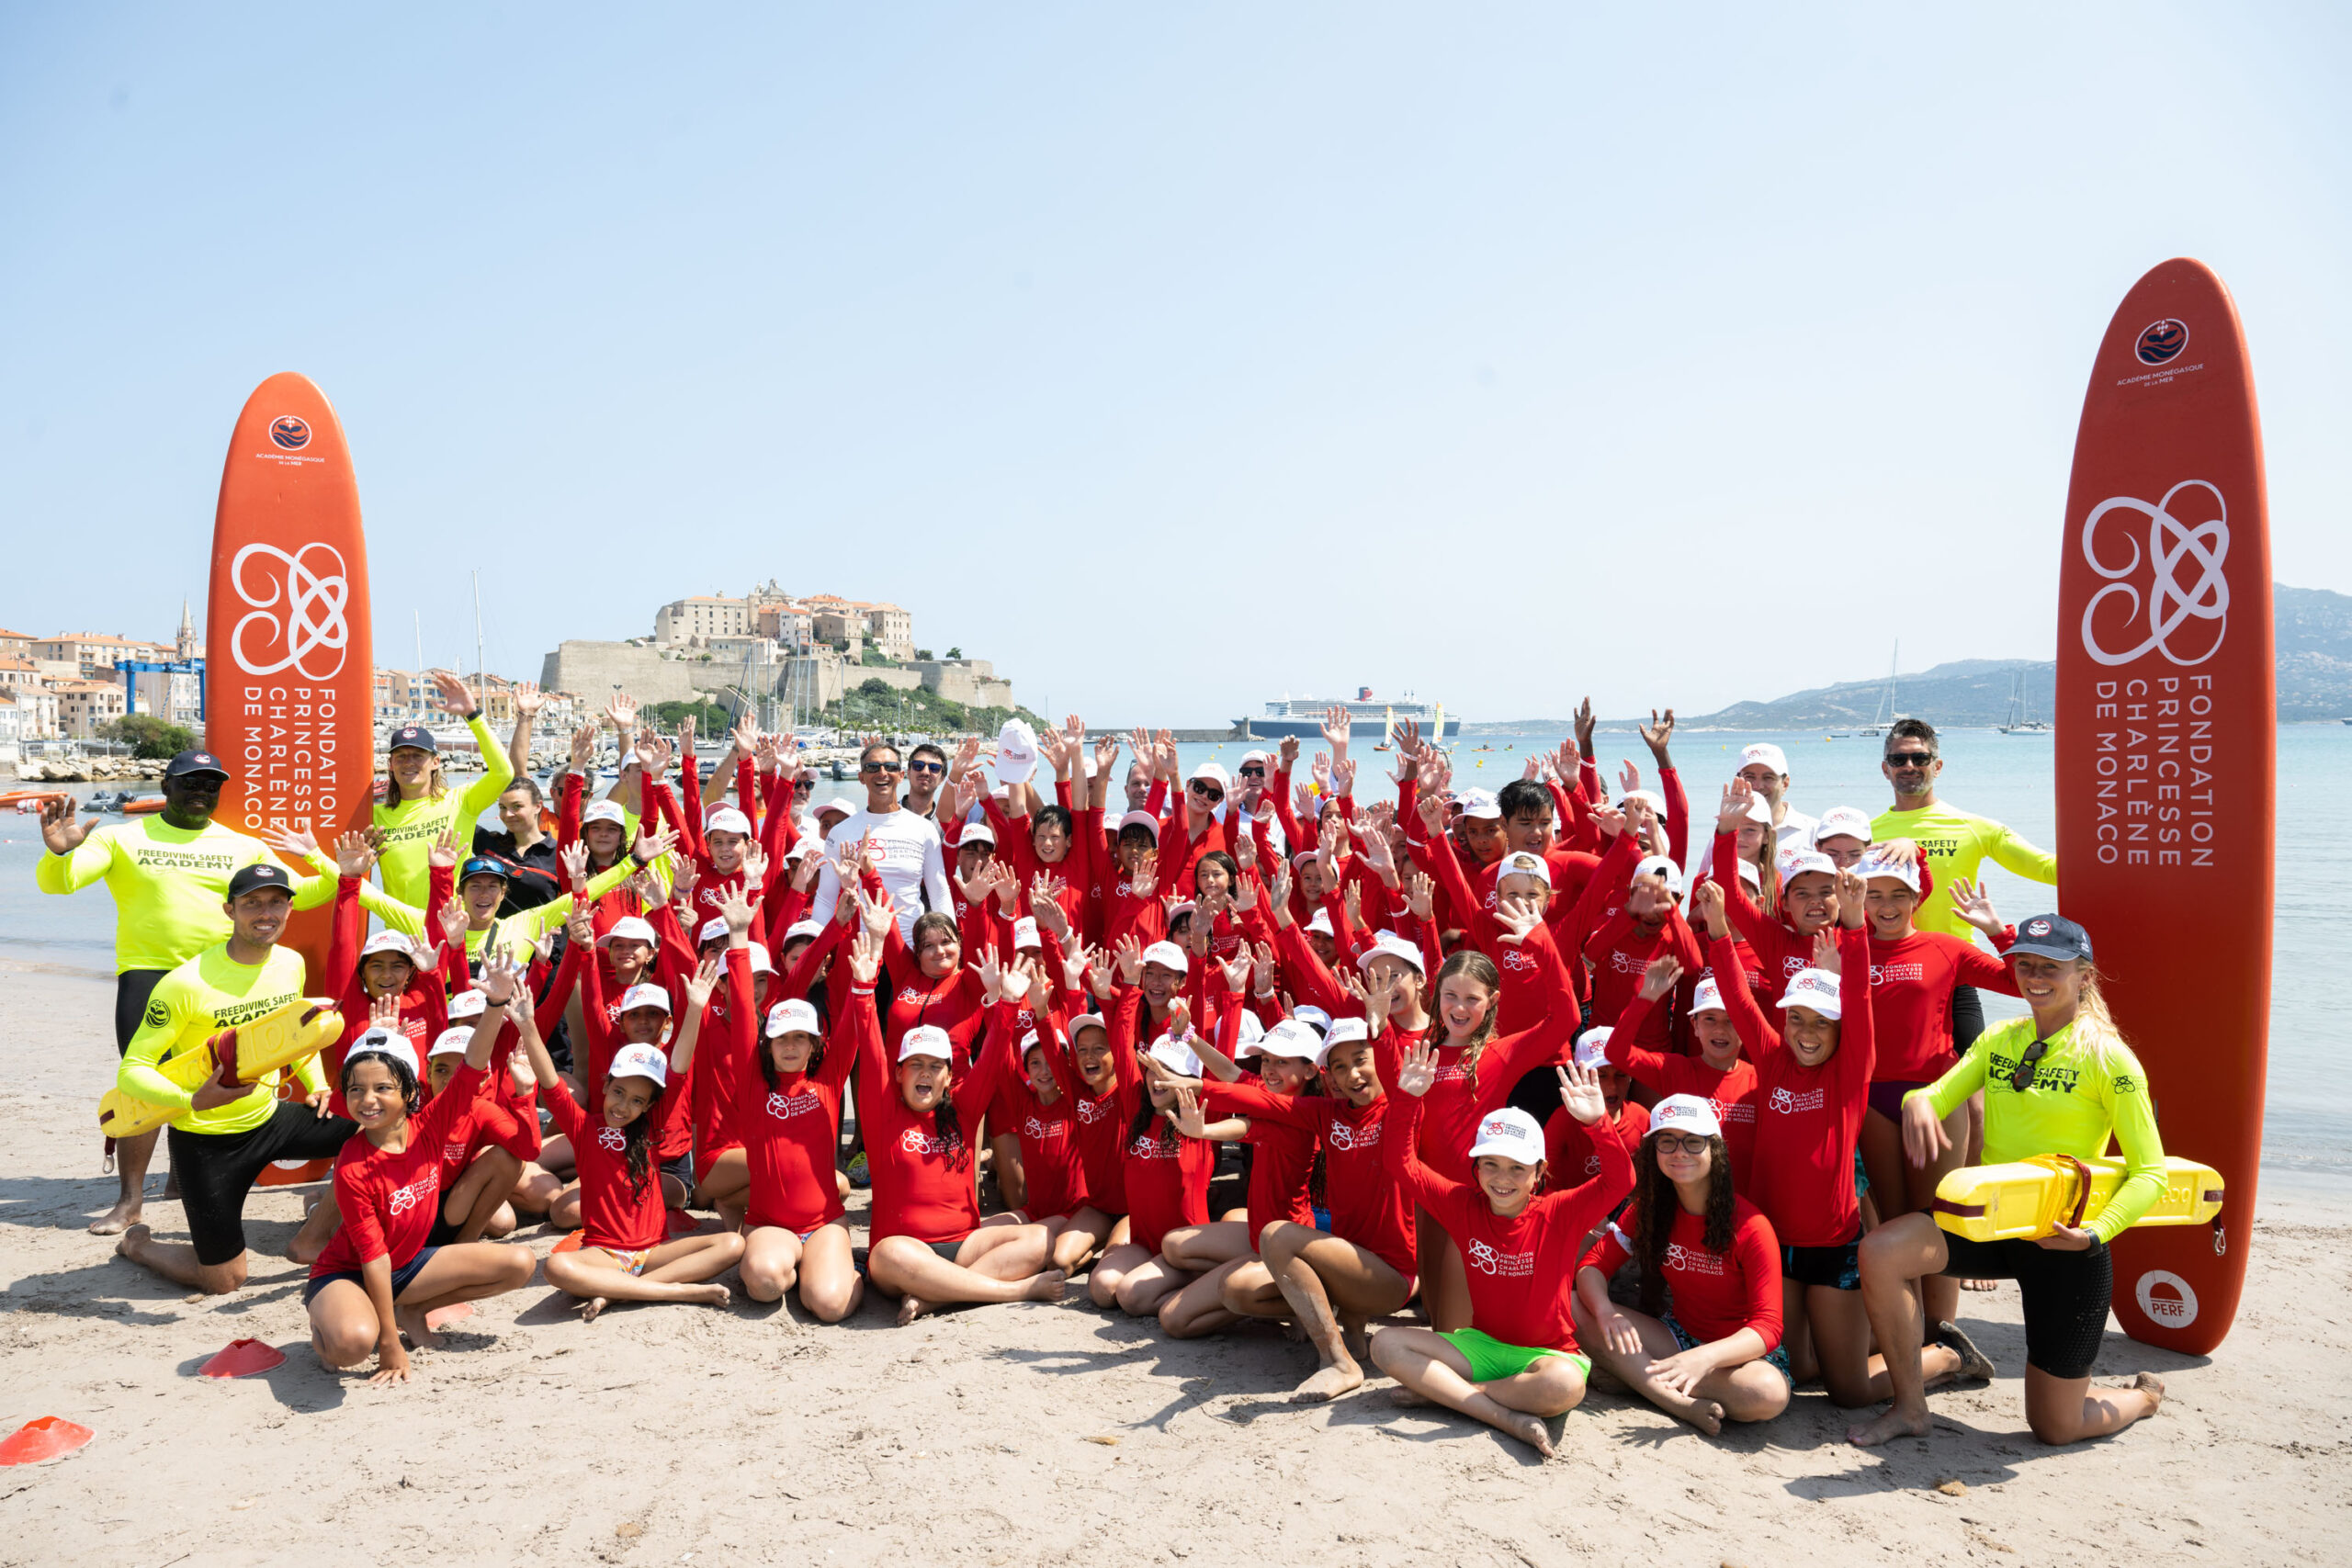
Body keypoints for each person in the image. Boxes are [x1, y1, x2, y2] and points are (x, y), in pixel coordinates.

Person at [1850, 914, 2170, 1449]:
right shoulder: (2001, 1040)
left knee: (2056, 1427)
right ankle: (1910, 1409)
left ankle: (2142, 1398)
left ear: (2084, 976)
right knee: (1882, 1250)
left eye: (2051, 967)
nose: (2034, 976)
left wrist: (2094, 1234)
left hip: (2065, 1242)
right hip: (1993, 1225)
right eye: (2024, 965)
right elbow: (1937, 1091)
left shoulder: (2109, 1058)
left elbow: (2151, 1173)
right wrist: (1919, 1104)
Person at [36, 750, 343, 1234]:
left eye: (210, 784)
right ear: (166, 786)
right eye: (189, 782)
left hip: (221, 979)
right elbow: (62, 885)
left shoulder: (242, 845)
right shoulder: (122, 837)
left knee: (216, 1075)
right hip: (149, 974)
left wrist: (336, 869)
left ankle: (182, 1180)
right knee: (144, 1085)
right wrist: (59, 852)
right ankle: (131, 1200)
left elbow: (293, 895)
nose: (201, 791)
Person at [110, 863, 356, 1294]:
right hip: (207, 1142)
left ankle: (317, 1233)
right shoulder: (184, 983)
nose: (266, 913)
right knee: (223, 1281)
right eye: (252, 903)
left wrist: (316, 1083)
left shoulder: (290, 963)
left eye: (276, 902)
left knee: (375, 1129)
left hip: (270, 1120)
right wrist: (191, 1101)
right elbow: (131, 1072)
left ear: (289, 907)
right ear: (230, 910)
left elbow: (297, 1036)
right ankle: (139, 1247)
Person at [1373, 1051, 1634, 1458]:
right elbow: (1400, 1163)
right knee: (1385, 1345)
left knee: (1566, 1386)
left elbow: (1621, 1181)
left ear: (1540, 1173)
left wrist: (1598, 1123)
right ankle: (1503, 1415)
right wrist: (1407, 1098)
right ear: (1475, 1169)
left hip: (1548, 1356)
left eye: (1517, 1168)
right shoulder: (1462, 1204)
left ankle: (1453, 1396)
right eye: (1490, 1164)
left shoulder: (1559, 1211)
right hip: (1482, 1347)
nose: (1502, 1178)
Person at [303, 959, 537, 1384]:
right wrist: (389, 1343)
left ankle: (414, 1308)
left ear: (410, 1092)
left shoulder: (431, 1124)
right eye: (356, 1089)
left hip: (409, 1267)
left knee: (519, 1263)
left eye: (382, 1088)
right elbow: (372, 1257)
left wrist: (497, 1003)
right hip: (349, 1272)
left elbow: (472, 1064)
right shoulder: (353, 1164)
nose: (368, 1100)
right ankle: (335, 1322)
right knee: (353, 1345)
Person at [532, 951, 746, 1321]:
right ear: (605, 1084)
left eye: (636, 1100)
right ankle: (674, 1291)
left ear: (649, 1106)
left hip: (654, 1251)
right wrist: (525, 1023)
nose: (623, 1106)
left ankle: (618, 1296)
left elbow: (679, 1066)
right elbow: (550, 1083)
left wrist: (694, 1008)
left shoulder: (651, 1125)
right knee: (556, 1268)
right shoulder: (585, 1127)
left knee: (732, 1243)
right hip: (604, 1254)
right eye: (618, 1093)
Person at [1572, 1096, 1789, 1433]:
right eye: (1667, 1141)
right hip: (1676, 1337)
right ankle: (1673, 1399)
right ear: (1653, 1151)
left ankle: (1636, 1377)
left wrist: (1703, 1360)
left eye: (1693, 1141)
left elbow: (1768, 1327)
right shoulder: (1650, 1210)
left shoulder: (1752, 1225)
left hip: (1738, 1357)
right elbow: (1593, 1265)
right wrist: (1606, 1313)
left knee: (1766, 1394)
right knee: (1572, 1305)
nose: (1679, 1152)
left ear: (1714, 1150)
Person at [1871, 716, 2056, 1055]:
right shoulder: (1867, 835)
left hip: (1955, 974)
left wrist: (2114, 857)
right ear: (1886, 769)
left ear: (1937, 766)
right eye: (1899, 760)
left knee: (1974, 1095)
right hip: (1886, 975)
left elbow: (2047, 869)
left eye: (1920, 758)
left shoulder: (1973, 828)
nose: (1909, 766)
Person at [374, 673, 516, 910]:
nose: (409, 763)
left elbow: (503, 773)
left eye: (418, 756)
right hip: (402, 937)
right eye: (401, 757)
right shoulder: (375, 816)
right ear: (390, 764)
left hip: (455, 931)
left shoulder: (461, 802)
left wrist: (473, 716)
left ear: (436, 762)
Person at [809, 740, 953, 939]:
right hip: (858, 949)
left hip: (910, 948)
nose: (882, 773)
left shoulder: (924, 829)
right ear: (861, 777)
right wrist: (815, 948)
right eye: (872, 767)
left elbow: (939, 893)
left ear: (902, 775)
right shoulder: (841, 833)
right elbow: (825, 898)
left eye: (891, 767)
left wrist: (950, 941)